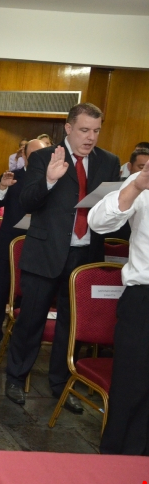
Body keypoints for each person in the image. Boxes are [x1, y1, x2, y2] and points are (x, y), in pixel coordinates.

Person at [4, 103, 121, 410]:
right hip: (45, 253)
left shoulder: (109, 161)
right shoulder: (44, 157)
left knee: (71, 326)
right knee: (31, 320)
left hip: (85, 255)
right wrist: (49, 180)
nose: (90, 137)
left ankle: (61, 383)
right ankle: (16, 378)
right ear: (68, 128)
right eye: (84, 130)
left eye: (96, 131)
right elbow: (27, 202)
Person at [89, 161, 149, 456]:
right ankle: (119, 465)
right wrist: (136, 186)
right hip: (144, 300)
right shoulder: (142, 181)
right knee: (132, 389)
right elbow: (99, 222)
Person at [0, 138, 49, 353]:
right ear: (24, 155)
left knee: (29, 295)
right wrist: (2, 187)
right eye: (33, 155)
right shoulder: (13, 177)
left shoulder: (51, 179)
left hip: (37, 246)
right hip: (8, 243)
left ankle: (20, 338)